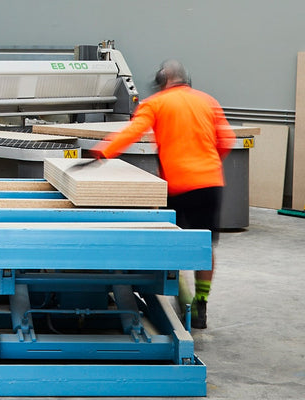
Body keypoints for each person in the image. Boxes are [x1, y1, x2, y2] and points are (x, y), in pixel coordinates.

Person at [90, 59, 234, 329]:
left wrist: (104, 151)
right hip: (210, 184)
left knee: (172, 244)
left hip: (177, 186)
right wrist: (209, 164)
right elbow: (225, 141)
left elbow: (133, 131)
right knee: (205, 244)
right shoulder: (208, 101)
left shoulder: (155, 104)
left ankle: (184, 299)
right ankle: (201, 301)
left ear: (162, 80)